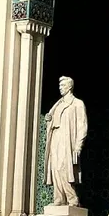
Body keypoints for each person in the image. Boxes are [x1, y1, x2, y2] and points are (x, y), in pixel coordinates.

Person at [43, 76, 88, 207]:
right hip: (56, 137)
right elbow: (52, 119)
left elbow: (82, 126)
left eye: (62, 86)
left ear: (69, 87)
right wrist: (49, 119)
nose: (60, 88)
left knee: (64, 168)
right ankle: (59, 198)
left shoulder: (77, 104)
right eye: (59, 86)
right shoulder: (58, 104)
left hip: (67, 140)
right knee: (55, 168)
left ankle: (72, 199)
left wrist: (78, 146)